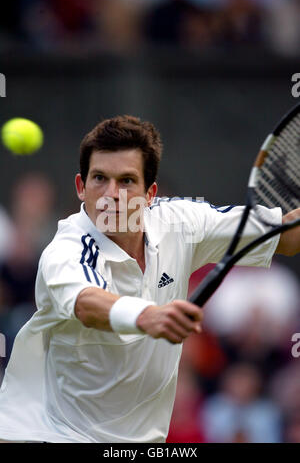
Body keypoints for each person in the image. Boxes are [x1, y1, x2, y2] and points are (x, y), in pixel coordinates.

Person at [0, 115, 298, 443]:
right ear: (80, 187)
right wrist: (148, 315)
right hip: (55, 435)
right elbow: (87, 304)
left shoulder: (182, 224)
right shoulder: (65, 251)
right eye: (99, 178)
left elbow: (286, 237)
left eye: (126, 181)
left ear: (150, 193)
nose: (111, 194)